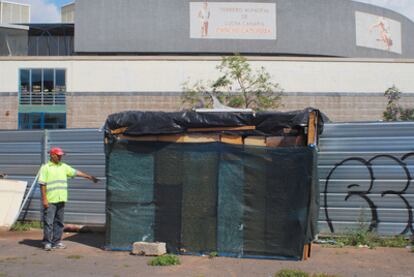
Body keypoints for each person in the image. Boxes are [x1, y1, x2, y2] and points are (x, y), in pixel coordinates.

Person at [38, 147, 98, 251]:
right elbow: (42, 184)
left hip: (61, 199)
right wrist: (44, 199)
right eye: (58, 155)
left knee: (59, 222)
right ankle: (47, 242)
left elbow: (75, 172)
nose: (60, 157)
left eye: (61, 155)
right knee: (49, 222)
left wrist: (89, 177)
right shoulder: (46, 168)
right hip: (51, 200)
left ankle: (56, 242)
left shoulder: (63, 167)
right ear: (52, 155)